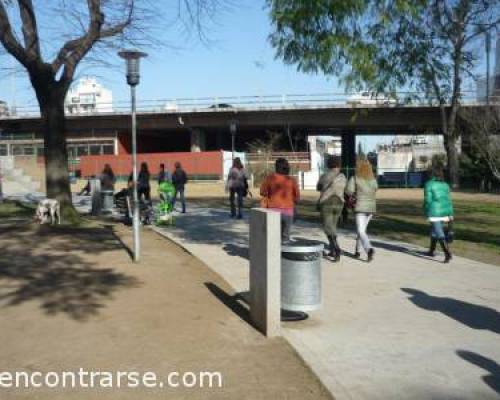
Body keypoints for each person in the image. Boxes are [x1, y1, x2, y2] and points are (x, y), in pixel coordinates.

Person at [260, 158, 300, 242]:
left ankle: (273, 252)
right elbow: (297, 198)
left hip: (273, 211)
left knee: (274, 235)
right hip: (288, 211)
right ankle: (284, 251)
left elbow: (262, 192)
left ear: (276, 167)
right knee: (285, 235)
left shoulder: (270, 178)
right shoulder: (291, 180)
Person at [346, 159, 378, 262]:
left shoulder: (355, 178)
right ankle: (357, 251)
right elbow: (375, 189)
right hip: (371, 208)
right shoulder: (373, 180)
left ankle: (369, 249)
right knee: (362, 231)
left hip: (360, 207)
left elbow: (348, 191)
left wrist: (354, 195)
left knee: (361, 231)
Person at [317, 155, 346, 262]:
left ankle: (337, 249)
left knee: (327, 228)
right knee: (333, 227)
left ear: (329, 164)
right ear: (339, 164)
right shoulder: (343, 176)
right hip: (339, 203)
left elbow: (318, 187)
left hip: (327, 202)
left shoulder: (325, 176)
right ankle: (333, 249)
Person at [424, 166, 453, 263]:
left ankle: (447, 253)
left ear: (431, 174)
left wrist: (426, 211)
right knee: (434, 231)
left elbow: (428, 200)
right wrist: (451, 213)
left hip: (434, 211)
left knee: (438, 232)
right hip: (445, 211)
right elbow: (449, 200)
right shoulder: (445, 185)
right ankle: (431, 250)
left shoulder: (429, 184)